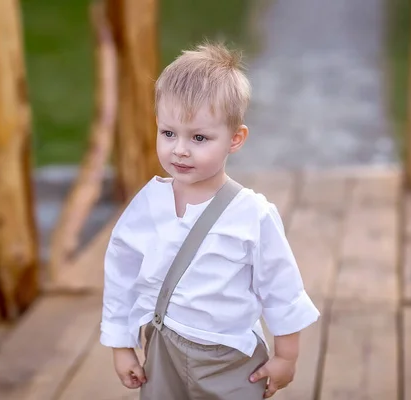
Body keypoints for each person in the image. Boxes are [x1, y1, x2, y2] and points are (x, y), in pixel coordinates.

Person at [100, 41, 320, 399]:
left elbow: (282, 290)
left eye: (199, 137)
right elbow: (121, 273)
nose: (180, 149)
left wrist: (285, 356)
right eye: (169, 133)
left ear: (235, 139)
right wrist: (120, 345)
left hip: (228, 358)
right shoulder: (149, 204)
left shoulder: (251, 214)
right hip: (163, 346)